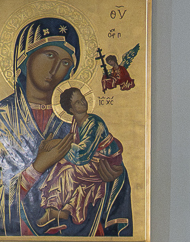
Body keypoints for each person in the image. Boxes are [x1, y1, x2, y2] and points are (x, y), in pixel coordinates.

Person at [0, 17, 134, 238]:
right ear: (25, 58)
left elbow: (106, 166)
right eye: (50, 55)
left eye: (65, 62)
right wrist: (36, 169)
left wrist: (113, 174)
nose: (55, 69)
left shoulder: (79, 121)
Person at [36, 88, 125, 232]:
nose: (83, 102)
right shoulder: (76, 123)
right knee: (61, 165)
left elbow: (82, 155)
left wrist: (57, 144)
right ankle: (54, 209)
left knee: (69, 171)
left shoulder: (95, 123)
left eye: (82, 98)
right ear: (71, 109)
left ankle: (60, 209)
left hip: (105, 162)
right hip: (92, 161)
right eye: (78, 102)